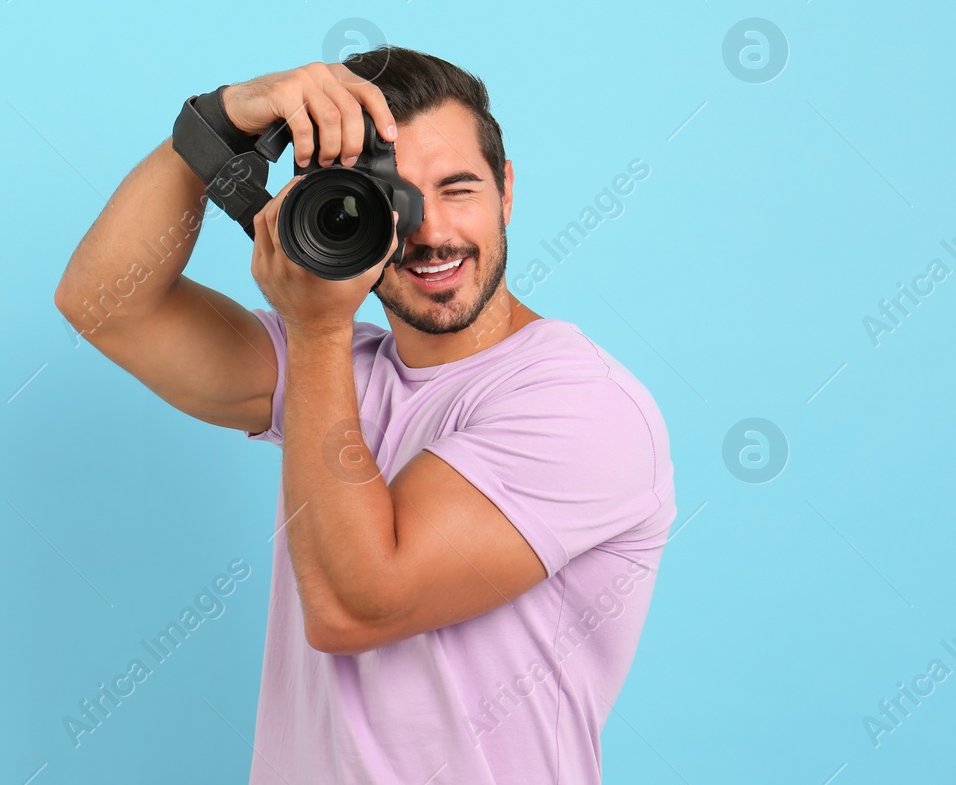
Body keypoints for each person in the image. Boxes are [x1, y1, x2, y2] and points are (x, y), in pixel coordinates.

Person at [53, 47, 676, 783]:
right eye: (396, 200)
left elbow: (358, 607)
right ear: (342, 211)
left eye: (459, 188)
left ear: (506, 191)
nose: (431, 232)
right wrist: (215, 124)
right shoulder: (339, 374)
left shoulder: (581, 405)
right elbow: (105, 302)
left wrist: (317, 329)